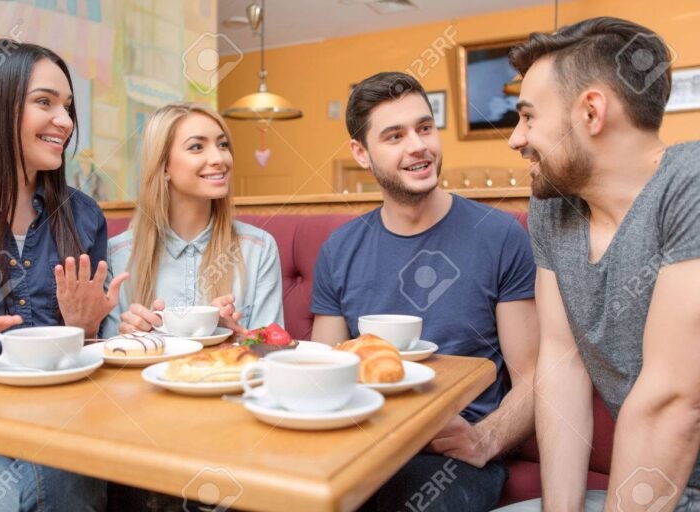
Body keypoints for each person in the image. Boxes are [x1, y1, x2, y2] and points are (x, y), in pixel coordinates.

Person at [495, 17, 700, 511]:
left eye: (528, 117)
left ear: (591, 111)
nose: (515, 139)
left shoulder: (690, 185)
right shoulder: (553, 203)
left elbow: (674, 403)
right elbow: (562, 361)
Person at [310, 71, 540, 511]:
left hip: (448, 458)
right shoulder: (339, 248)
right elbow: (326, 368)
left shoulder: (499, 236)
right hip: (362, 446)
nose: (418, 145)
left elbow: (533, 375)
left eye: (425, 127)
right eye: (394, 136)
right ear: (361, 152)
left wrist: (486, 438)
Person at [0, 39, 126, 511]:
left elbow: (84, 369)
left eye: (68, 106)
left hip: (57, 430)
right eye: (44, 102)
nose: (64, 121)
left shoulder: (83, 218)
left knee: (72, 476)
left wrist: (83, 331)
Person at [102, 103, 283, 343]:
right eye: (197, 147)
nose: (219, 158)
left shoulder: (259, 249)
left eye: (223, 145)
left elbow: (271, 356)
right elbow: (108, 361)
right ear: (163, 166)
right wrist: (131, 340)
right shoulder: (117, 255)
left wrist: (232, 338)